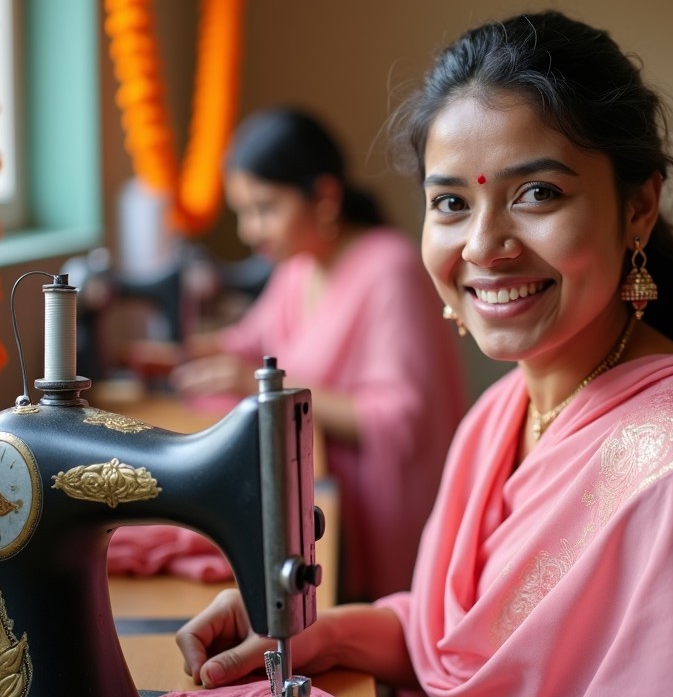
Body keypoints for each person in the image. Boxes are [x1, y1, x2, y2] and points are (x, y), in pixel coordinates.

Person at [173, 12, 673, 697]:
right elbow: (462, 644)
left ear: (638, 209)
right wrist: (315, 630)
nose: (480, 245)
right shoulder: (503, 414)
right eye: (450, 202)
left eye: (538, 194)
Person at [137, 107, 468, 603]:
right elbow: (252, 341)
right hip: (321, 485)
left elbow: (401, 419)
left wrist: (259, 386)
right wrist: (181, 355)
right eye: (243, 212)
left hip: (379, 512)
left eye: (265, 209)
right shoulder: (300, 264)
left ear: (325, 196)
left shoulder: (388, 268)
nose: (250, 231)